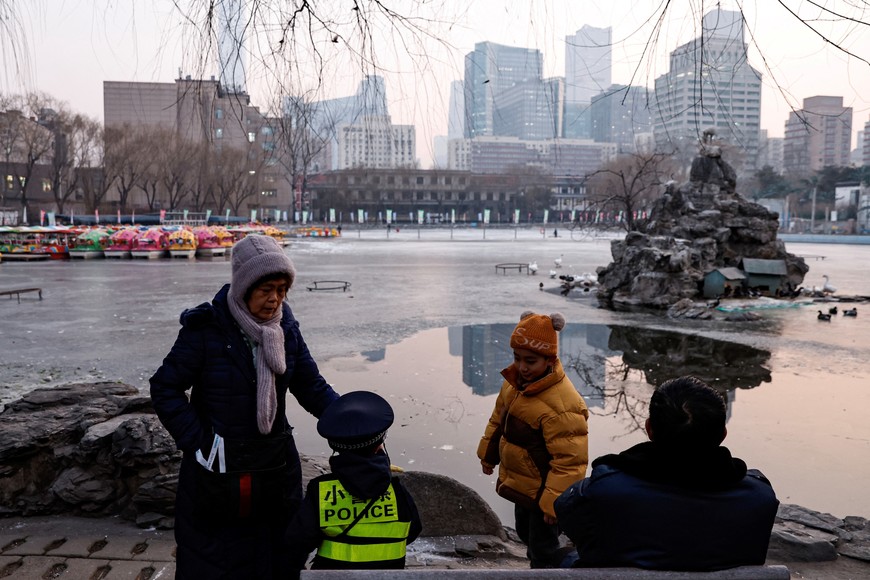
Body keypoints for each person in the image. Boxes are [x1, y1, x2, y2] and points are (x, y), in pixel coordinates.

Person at [150, 234, 339, 579]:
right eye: (266, 289)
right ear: (244, 285)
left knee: (276, 559)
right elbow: (165, 388)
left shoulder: (286, 330)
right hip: (217, 474)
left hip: (275, 471)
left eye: (282, 289)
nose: (275, 299)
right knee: (212, 561)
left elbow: (311, 387)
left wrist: (354, 425)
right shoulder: (205, 329)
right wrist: (200, 443)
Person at [554, 376, 779, 571]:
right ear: (723, 434)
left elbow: (566, 513)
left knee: (564, 558)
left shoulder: (604, 490)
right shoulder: (759, 498)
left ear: (649, 428)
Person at [477, 311, 589, 568]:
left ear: (549, 360)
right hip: (523, 482)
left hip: (545, 488)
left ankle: (572, 567)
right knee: (526, 534)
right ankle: (540, 564)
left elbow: (570, 460)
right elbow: (498, 421)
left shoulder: (562, 404)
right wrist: (488, 455)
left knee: (543, 549)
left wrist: (554, 503)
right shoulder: (514, 384)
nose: (522, 367)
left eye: (530, 361)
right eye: (517, 358)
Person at [287, 390, 422, 572]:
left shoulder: (321, 491)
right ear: (378, 446)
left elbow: (297, 542)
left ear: (334, 446)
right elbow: (413, 530)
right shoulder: (396, 491)